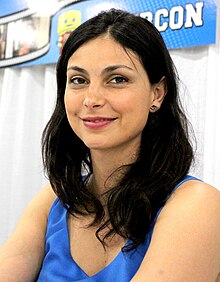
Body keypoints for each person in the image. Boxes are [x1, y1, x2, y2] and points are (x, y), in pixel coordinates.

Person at [0, 8, 220, 281]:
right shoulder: (53, 198)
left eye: (117, 79)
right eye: (78, 80)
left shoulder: (197, 204)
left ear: (157, 93)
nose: (91, 99)